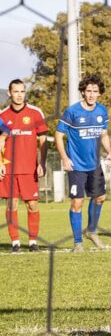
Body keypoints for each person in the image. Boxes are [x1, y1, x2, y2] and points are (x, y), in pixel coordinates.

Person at [55, 75, 111, 252]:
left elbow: (103, 134)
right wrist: (65, 158)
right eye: (88, 91)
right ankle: (78, 243)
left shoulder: (102, 111)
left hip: (95, 164)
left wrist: (109, 152)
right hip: (76, 166)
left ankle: (92, 231)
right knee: (77, 203)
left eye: (95, 91)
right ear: (83, 91)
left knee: (100, 198)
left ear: (99, 93)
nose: (91, 94)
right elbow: (58, 135)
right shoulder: (72, 111)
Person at [0, 79, 48, 252]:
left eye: (22, 92)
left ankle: (33, 242)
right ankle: (15, 243)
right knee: (11, 205)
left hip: (29, 169)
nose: (19, 95)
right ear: (9, 93)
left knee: (32, 205)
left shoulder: (35, 113)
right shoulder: (3, 116)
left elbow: (43, 140)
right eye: (16, 92)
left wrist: (42, 162)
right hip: (9, 169)